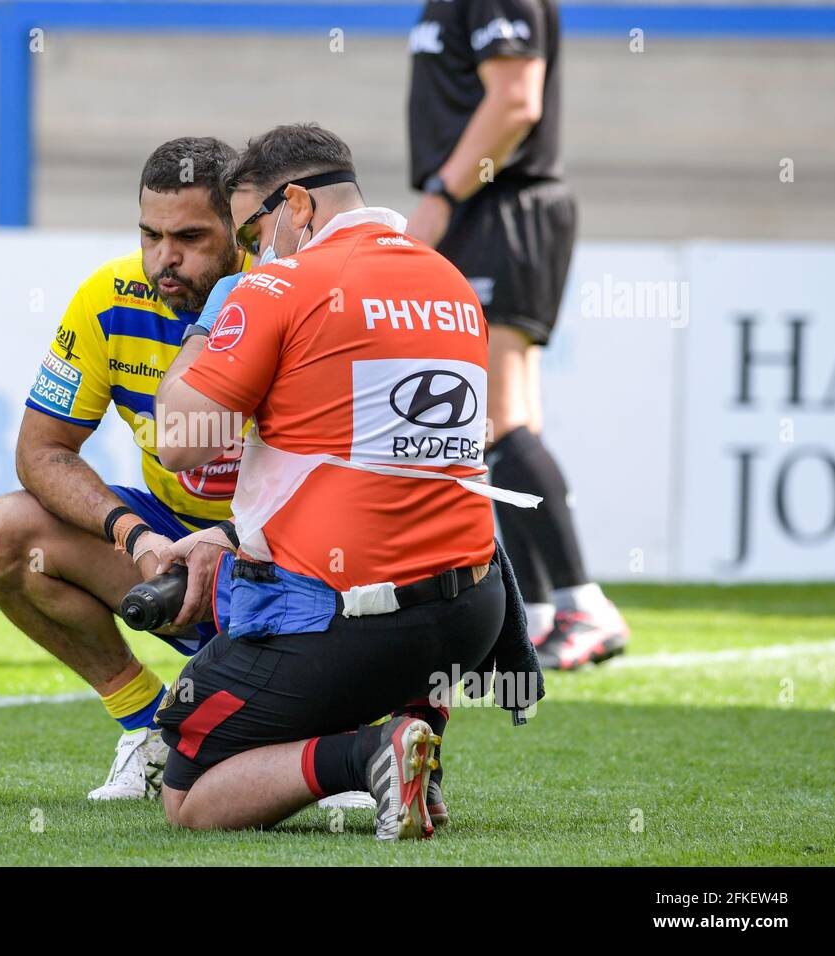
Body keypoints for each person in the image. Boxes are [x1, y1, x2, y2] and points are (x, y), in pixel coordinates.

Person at [150, 124, 540, 839]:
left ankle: (372, 755)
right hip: (472, 615)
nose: (249, 252)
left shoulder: (278, 283)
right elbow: (373, 461)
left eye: (251, 232)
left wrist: (211, 324)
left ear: (295, 205)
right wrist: (235, 536)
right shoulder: (444, 277)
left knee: (188, 789)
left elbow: (179, 441)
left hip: (357, 625)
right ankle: (417, 728)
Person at [0, 138, 249, 800]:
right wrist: (136, 537)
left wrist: (234, 544)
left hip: (279, 553)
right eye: (150, 235)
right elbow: (42, 451)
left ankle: (340, 735)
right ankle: (147, 724)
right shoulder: (108, 298)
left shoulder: (281, 293)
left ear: (239, 227)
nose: (163, 260)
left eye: (189, 238)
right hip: (167, 543)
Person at [405, 0, 629, 668]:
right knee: (502, 420)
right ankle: (536, 609)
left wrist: (442, 194)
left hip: (500, 207)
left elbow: (516, 102)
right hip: (492, 208)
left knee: (497, 417)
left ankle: (581, 603)